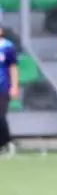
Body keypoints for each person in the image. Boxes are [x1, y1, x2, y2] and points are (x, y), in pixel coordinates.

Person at [0, 12, 15, 156]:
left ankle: (6, 142)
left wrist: (14, 86)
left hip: (3, 87)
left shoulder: (7, 46)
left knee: (1, 116)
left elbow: (12, 67)